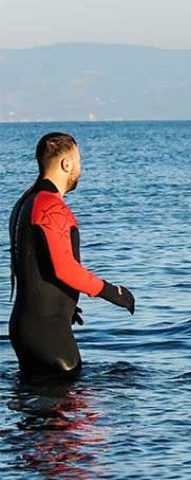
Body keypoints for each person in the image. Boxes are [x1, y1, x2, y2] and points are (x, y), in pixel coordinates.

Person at [8, 133, 136, 373]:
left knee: (37, 405)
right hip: (48, 331)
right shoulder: (51, 206)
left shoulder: (24, 203)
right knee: (72, 406)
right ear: (66, 164)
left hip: (25, 325)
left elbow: (30, 264)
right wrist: (114, 293)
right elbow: (64, 268)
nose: (80, 167)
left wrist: (66, 302)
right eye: (79, 160)